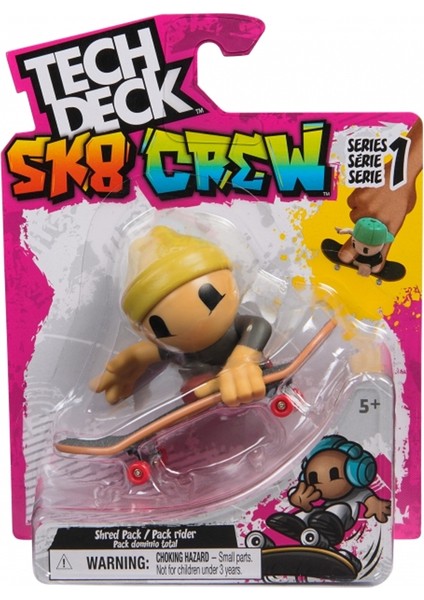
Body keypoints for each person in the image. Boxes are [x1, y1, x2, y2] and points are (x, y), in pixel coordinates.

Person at [90, 225, 272, 407]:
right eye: (160, 326)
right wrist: (133, 357)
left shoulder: (237, 327)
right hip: (211, 393)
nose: (195, 323)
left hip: (257, 382)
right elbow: (153, 352)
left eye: (208, 296)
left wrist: (243, 359)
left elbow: (259, 326)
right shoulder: (182, 350)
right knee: (195, 390)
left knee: (200, 389)